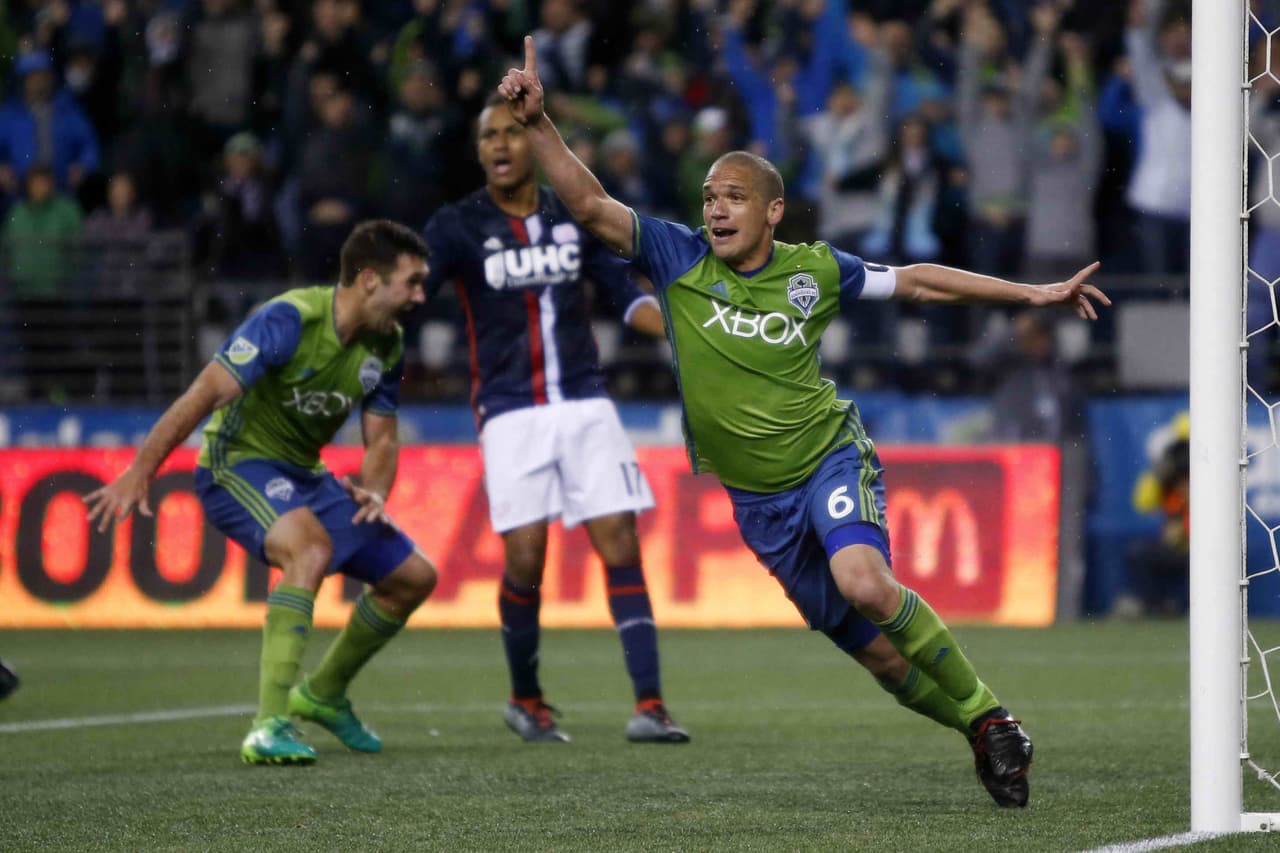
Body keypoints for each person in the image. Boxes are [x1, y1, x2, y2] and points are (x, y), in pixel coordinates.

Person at [499, 36, 1111, 806]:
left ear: (773, 211)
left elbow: (918, 282)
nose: (715, 208)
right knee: (883, 661)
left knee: (865, 583)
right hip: (760, 505)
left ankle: (991, 714)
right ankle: (978, 728)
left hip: (827, 457)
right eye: (709, 197)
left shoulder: (816, 270)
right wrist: (539, 124)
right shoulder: (677, 258)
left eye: (733, 196)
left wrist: (1031, 293)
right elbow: (590, 205)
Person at [84, 220, 440, 766]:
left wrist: (375, 491)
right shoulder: (290, 319)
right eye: (412, 282)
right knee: (310, 550)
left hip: (305, 474)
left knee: (413, 578)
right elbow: (205, 393)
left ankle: (323, 695)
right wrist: (141, 469)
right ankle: (268, 725)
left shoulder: (387, 343)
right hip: (235, 464)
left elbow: (383, 437)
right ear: (370, 278)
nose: (420, 296)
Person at [420, 93, 688, 745]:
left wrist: (685, 333)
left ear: (535, 144)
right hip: (509, 409)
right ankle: (526, 698)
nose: (501, 144)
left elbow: (625, 297)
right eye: (489, 135)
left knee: (620, 541)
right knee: (526, 557)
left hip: (584, 401)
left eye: (513, 132)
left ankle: (650, 704)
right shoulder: (456, 226)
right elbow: (410, 295)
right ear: (478, 149)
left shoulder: (570, 214)